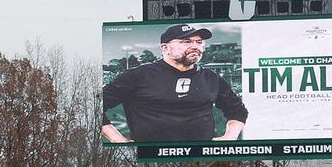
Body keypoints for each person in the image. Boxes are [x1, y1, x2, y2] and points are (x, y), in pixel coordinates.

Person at [102, 24, 248, 143]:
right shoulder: (139, 75)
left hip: (201, 158)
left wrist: (230, 137)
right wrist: (116, 139)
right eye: (186, 42)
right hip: (149, 158)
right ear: (165, 48)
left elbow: (238, 111)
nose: (195, 46)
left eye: (199, 42)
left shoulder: (211, 78)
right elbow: (97, 104)